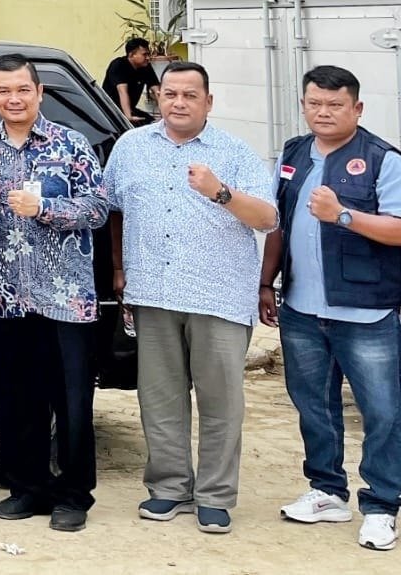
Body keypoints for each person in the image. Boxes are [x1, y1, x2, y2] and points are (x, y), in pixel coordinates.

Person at [105, 60, 277, 535]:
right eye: (169, 94)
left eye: (190, 95)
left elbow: (267, 218)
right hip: (153, 293)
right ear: (157, 97)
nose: (178, 102)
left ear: (208, 102)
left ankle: (216, 495)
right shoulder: (130, 146)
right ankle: (169, 488)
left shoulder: (234, 151)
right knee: (160, 400)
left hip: (218, 296)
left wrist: (220, 192)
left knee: (221, 402)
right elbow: (115, 209)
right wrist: (121, 268)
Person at [259, 65, 401, 552]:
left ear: (356, 109)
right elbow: (278, 224)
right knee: (313, 406)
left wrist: (341, 214)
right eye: (314, 103)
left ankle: (382, 505)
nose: (323, 112)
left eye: (334, 105)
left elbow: (399, 229)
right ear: (303, 105)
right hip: (301, 306)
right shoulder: (295, 153)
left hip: (366, 310)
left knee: (382, 412)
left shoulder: (383, 159)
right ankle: (326, 491)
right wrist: (265, 282)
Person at [0, 55, 109, 533]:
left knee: (70, 402)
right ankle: (25, 487)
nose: (14, 98)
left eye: (23, 89)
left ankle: (73, 495)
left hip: (66, 299)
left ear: (39, 92)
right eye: (4, 91)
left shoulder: (71, 144)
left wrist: (44, 207)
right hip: (7, 297)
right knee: (14, 399)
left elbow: (98, 209)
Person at [102, 38, 159, 125]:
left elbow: (157, 92)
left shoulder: (146, 67)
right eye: (145, 54)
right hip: (109, 110)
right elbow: (122, 92)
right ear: (131, 54)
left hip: (130, 109)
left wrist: (167, 115)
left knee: (152, 123)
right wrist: (128, 117)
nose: (148, 58)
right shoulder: (119, 65)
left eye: (149, 54)